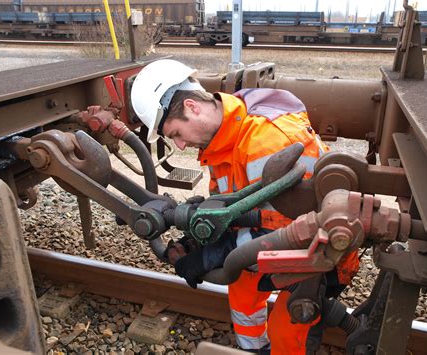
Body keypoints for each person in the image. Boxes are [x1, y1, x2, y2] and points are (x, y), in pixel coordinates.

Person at [131, 59, 359, 355]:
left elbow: (295, 234)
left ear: (192, 107)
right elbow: (234, 209)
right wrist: (199, 241)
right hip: (271, 240)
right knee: (240, 285)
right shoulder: (222, 139)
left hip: (321, 255)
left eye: (175, 133)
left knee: (289, 325)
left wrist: (214, 254)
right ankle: (254, 349)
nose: (181, 146)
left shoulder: (266, 142)